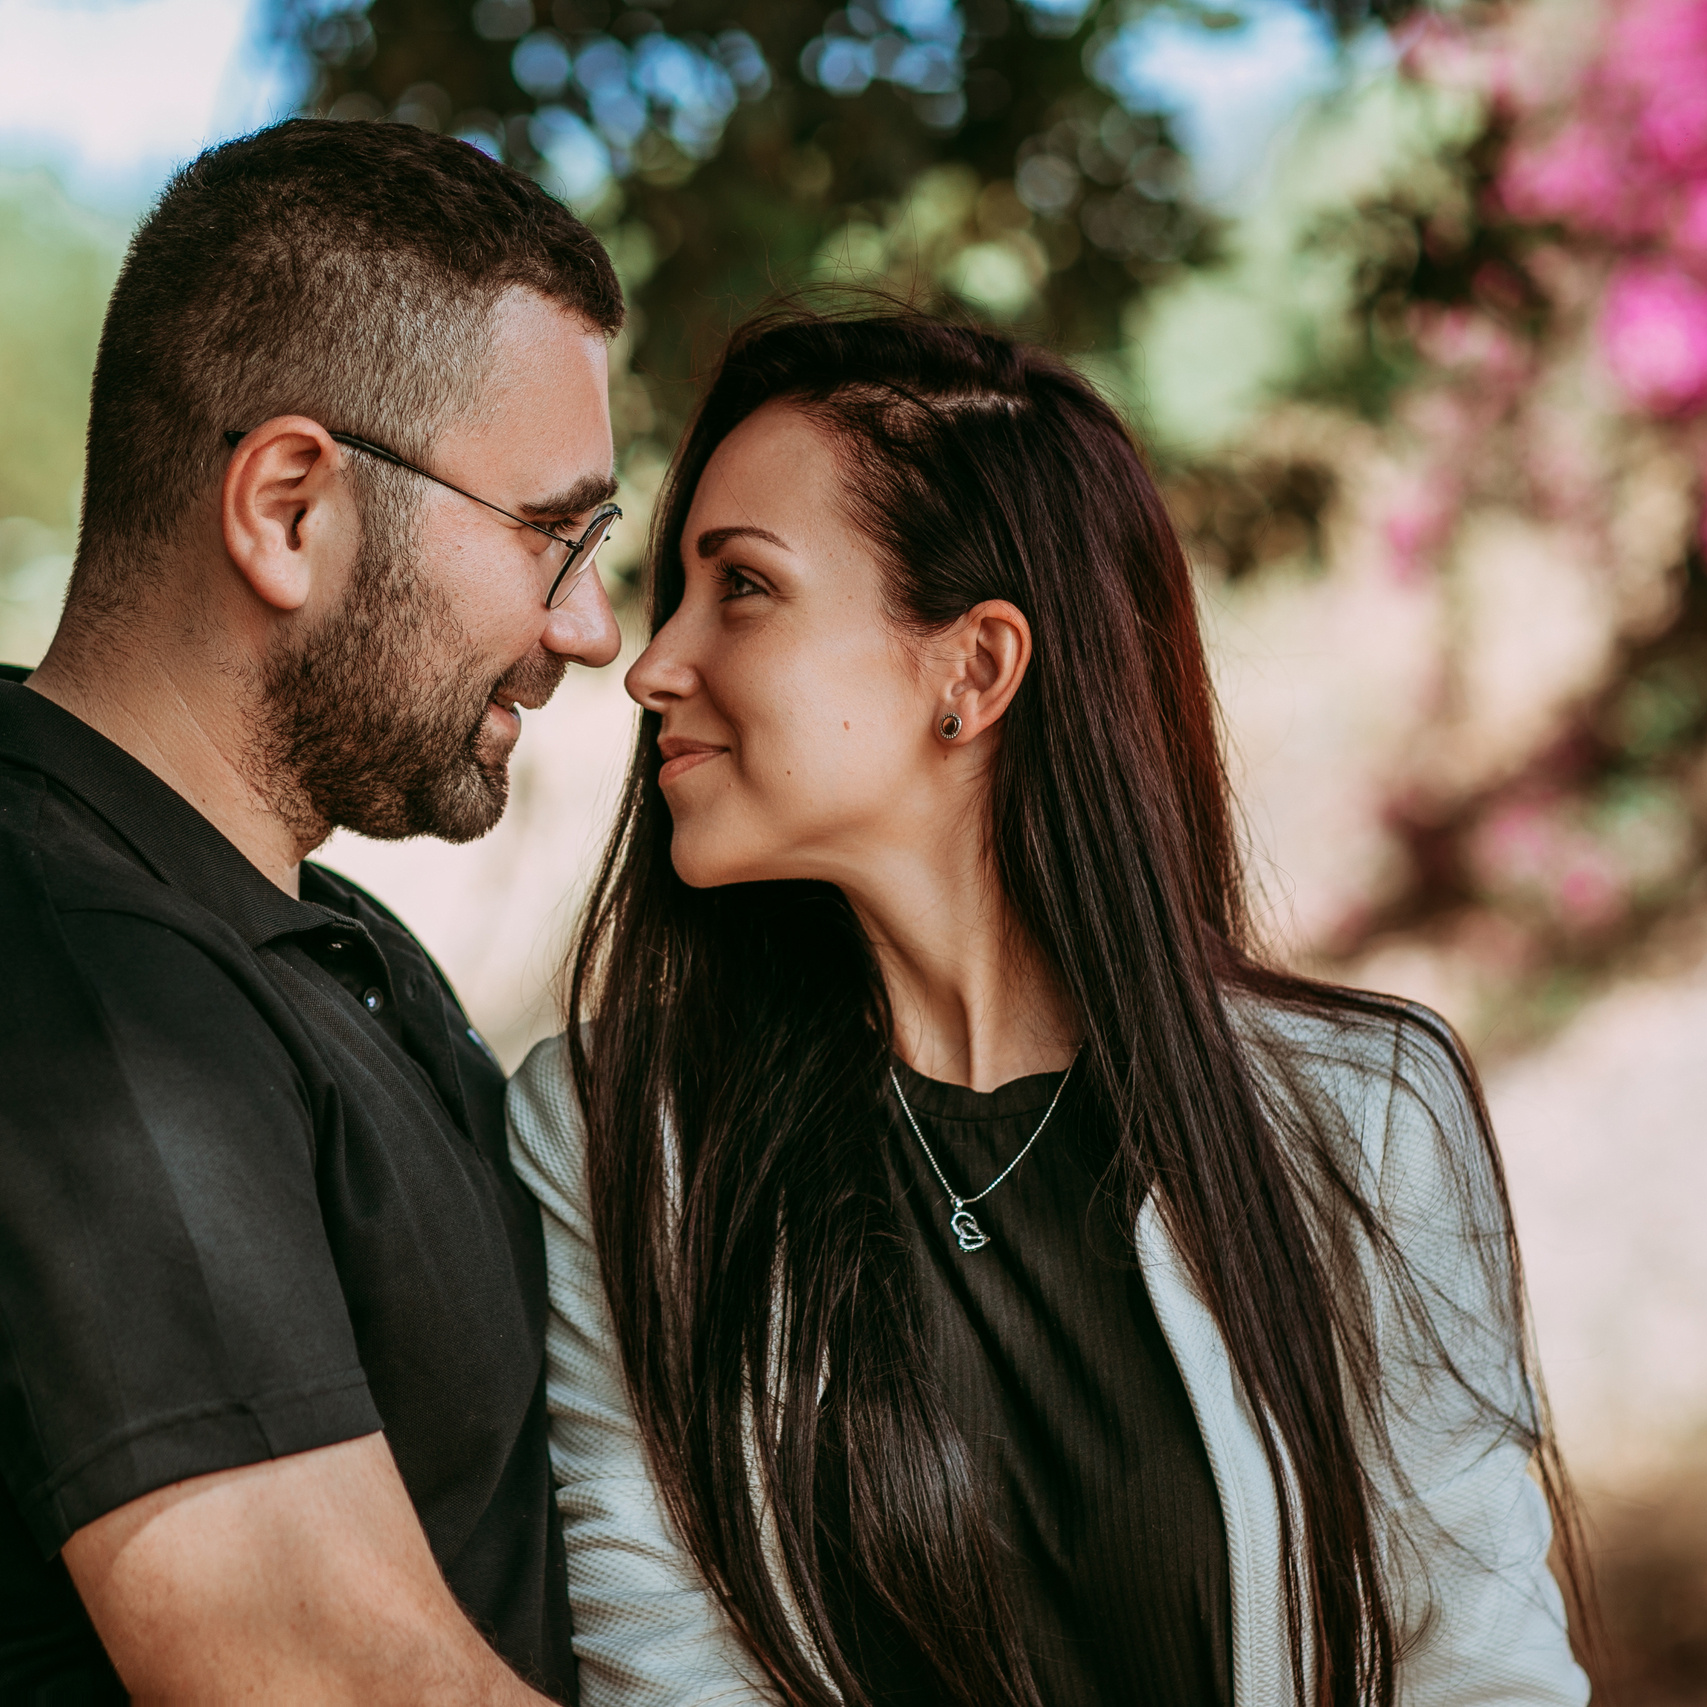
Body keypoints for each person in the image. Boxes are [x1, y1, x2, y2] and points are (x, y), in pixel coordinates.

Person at [507, 309, 1593, 1707]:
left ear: (974, 669)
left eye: (746, 590)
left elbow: (1483, 1664)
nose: (651, 664)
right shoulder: (622, 1143)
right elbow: (667, 1668)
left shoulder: (1364, 1117)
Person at [0, 119, 626, 1703]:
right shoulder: (51, 976)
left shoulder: (294, 933)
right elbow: (335, 1682)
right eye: (554, 534)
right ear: (288, 507)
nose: (592, 625)